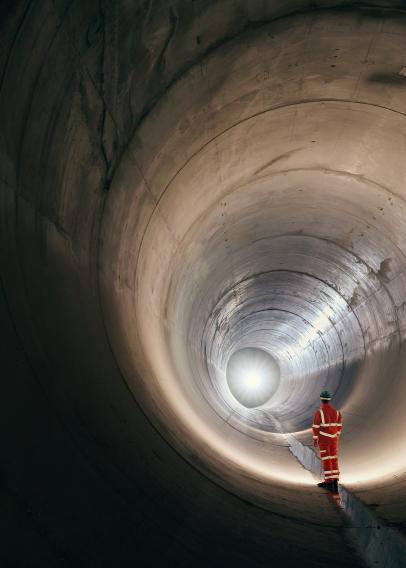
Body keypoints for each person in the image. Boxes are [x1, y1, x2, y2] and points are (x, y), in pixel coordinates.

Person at [312, 391, 342, 493]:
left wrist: (315, 439)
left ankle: (329, 483)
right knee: (334, 459)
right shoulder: (337, 412)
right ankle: (335, 482)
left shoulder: (319, 412)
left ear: (321, 399)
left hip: (324, 439)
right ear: (329, 399)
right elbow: (339, 426)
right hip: (334, 439)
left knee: (326, 460)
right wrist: (336, 435)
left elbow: (316, 427)